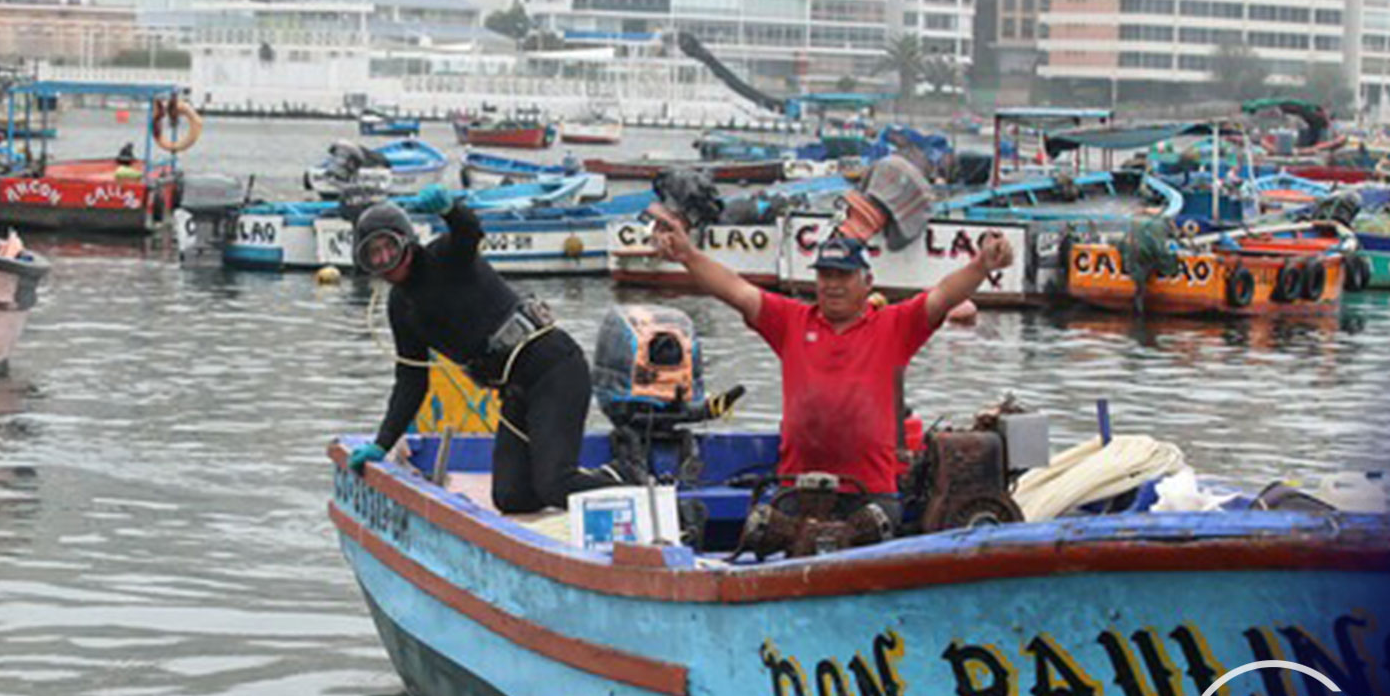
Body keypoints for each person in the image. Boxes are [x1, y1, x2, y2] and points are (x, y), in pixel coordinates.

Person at [652, 218, 1014, 505]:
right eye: (825, 275)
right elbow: (735, 290)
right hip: (797, 489)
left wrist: (982, 264)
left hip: (871, 493)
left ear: (867, 281)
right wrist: (688, 255)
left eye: (843, 275)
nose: (832, 284)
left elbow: (943, 294)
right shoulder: (791, 321)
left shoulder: (894, 326)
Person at [347, 185, 614, 514]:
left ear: (407, 241)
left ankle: (644, 490)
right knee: (512, 498)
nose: (385, 259)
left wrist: (449, 209)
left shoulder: (446, 257)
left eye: (389, 246)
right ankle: (604, 489)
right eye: (372, 254)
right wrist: (381, 444)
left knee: (555, 484)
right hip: (515, 392)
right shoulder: (400, 307)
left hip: (554, 371)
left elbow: (469, 231)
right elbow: (412, 381)